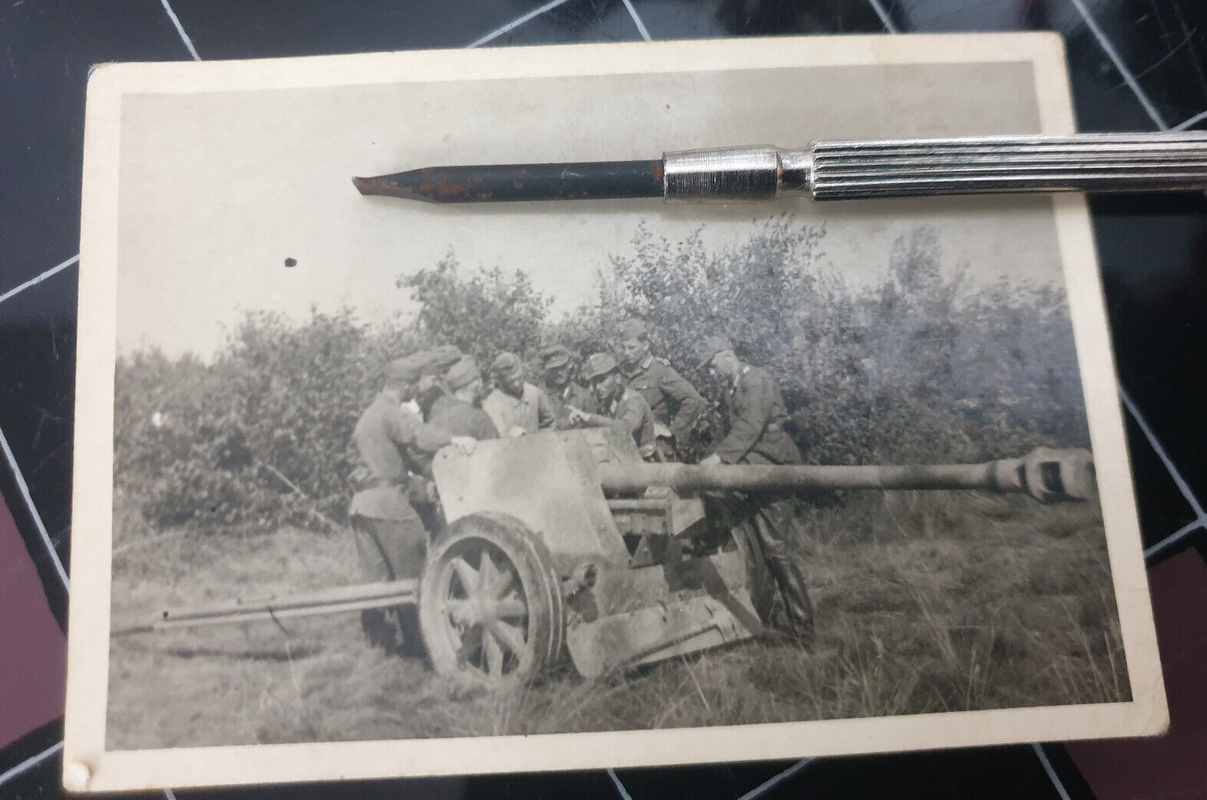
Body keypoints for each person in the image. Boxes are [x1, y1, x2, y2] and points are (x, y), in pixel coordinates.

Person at [347, 353, 476, 653]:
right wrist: (454, 440)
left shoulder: (368, 415)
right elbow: (419, 435)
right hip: (389, 506)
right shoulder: (393, 412)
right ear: (404, 387)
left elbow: (369, 462)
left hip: (362, 505)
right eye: (413, 386)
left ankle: (379, 649)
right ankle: (427, 649)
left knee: (376, 584)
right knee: (418, 576)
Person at [697, 334, 814, 641]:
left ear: (726, 356)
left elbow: (751, 425)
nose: (711, 373)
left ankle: (803, 628)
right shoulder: (732, 388)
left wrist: (720, 458)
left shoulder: (757, 379)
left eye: (712, 366)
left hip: (775, 464)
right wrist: (713, 459)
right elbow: (731, 432)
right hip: (753, 468)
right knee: (760, 547)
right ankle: (765, 613)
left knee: (775, 548)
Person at [616, 319, 706, 460]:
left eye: (632, 348)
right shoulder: (622, 371)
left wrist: (671, 432)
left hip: (654, 450)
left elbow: (693, 400)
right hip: (627, 445)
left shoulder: (660, 370)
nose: (626, 352)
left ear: (645, 345)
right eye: (624, 348)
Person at [570, 351, 657, 459]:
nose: (598, 387)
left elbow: (626, 428)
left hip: (644, 461)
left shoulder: (633, 400)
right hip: (621, 456)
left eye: (602, 380)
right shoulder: (607, 400)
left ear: (617, 378)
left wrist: (589, 418)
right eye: (594, 381)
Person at [482, 351, 557, 437]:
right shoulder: (492, 403)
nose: (517, 384)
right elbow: (494, 440)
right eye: (511, 381)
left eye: (520, 378)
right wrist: (509, 436)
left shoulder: (534, 393)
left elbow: (549, 424)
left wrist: (539, 440)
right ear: (501, 381)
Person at [427, 356, 499, 441]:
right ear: (476, 384)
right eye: (479, 379)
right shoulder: (479, 417)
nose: (481, 383)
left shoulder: (434, 412)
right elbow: (498, 450)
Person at [539, 343, 598, 428]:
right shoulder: (540, 395)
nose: (559, 373)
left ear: (569, 365)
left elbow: (594, 431)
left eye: (562, 366)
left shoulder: (585, 396)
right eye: (554, 369)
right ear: (548, 371)